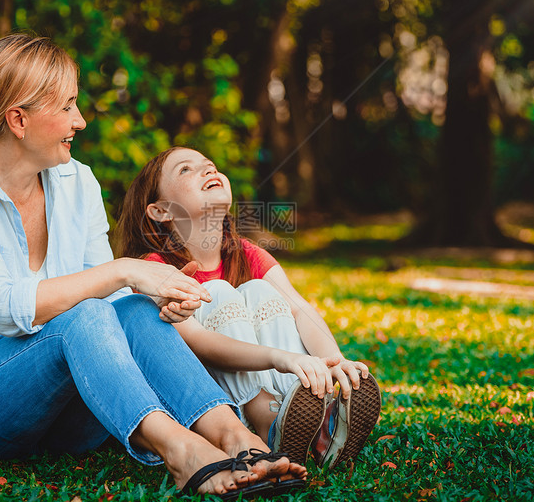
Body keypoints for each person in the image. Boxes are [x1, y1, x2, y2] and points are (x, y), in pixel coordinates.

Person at [0, 34, 307, 501]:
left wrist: (156, 300)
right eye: (68, 106)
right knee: (87, 312)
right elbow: (4, 308)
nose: (80, 120)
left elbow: (118, 309)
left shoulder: (77, 181)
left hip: (60, 414)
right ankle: (182, 451)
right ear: (18, 119)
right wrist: (123, 271)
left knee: (133, 309)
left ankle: (238, 437)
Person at [116, 147, 382, 467]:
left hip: (272, 381)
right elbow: (197, 342)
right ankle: (270, 422)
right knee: (217, 291)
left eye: (210, 165)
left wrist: (333, 360)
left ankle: (305, 416)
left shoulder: (246, 254)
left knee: (259, 289)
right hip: (205, 403)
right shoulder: (155, 268)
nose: (208, 171)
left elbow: (299, 308)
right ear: (160, 211)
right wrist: (281, 358)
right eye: (186, 170)